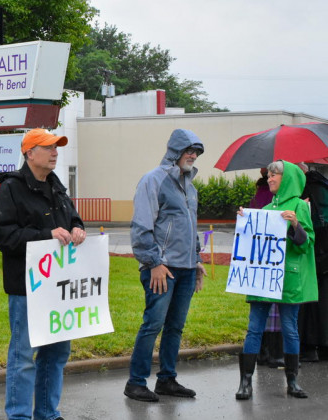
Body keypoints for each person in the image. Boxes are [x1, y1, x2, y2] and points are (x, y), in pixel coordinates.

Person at [0, 128, 86, 420]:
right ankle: (19, 416)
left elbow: (71, 217)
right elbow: (4, 236)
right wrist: (46, 234)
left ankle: (48, 413)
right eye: (48, 147)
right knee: (23, 358)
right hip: (27, 288)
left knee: (57, 354)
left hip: (58, 288)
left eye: (56, 146)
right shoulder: (11, 188)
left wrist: (77, 227)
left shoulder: (57, 186)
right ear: (30, 153)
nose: (55, 151)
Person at [124, 129, 207, 402]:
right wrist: (153, 263)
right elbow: (141, 228)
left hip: (185, 269)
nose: (193, 155)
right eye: (188, 150)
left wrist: (196, 261)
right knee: (153, 324)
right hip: (161, 269)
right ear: (175, 151)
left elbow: (191, 228)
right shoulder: (153, 180)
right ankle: (135, 382)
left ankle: (167, 380)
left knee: (176, 326)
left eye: (196, 151)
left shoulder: (191, 188)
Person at [235, 160, 318, 400]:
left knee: (290, 329)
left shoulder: (300, 207)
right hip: (263, 278)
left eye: (274, 176)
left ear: (287, 179)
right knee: (254, 329)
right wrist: (245, 221)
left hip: (288, 279)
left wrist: (294, 224)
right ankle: (245, 383)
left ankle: (293, 381)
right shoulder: (265, 208)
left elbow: (307, 244)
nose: (270, 179)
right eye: (269, 175)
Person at [249, 169, 284, 368]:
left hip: (259, 259)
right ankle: (273, 353)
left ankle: (262, 353)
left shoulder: (259, 193)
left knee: (262, 309)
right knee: (274, 309)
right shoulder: (272, 196)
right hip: (272, 258)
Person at [297, 165, 328, 361]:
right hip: (325, 252)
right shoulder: (323, 185)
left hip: (314, 252)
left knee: (308, 302)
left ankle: (308, 346)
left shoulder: (304, 188)